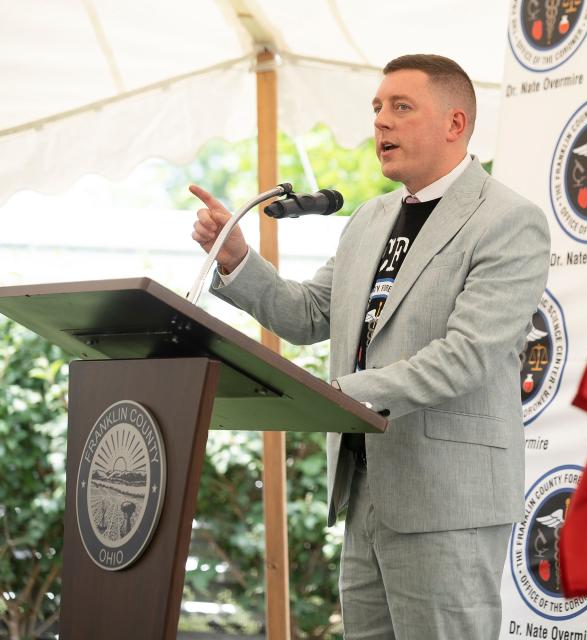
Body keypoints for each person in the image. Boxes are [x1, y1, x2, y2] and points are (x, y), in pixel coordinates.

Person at [190, 54, 550, 639]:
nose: (380, 122)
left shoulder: (508, 221)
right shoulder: (369, 218)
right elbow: (308, 315)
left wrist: (338, 395)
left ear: (455, 123)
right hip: (365, 492)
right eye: (377, 108)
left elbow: (465, 354)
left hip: (447, 502)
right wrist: (236, 260)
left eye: (400, 107)